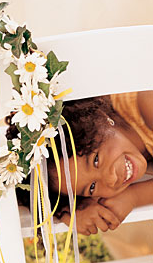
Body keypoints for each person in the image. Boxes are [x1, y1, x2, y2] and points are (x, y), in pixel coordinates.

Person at [8, 91, 153, 236]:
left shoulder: (147, 103)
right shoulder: (132, 151)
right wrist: (74, 209)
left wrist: (134, 196)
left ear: (99, 120)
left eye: (96, 160)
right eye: (92, 187)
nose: (111, 179)